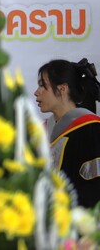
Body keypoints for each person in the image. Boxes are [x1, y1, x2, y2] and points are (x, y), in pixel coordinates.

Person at [34, 58, 100, 208]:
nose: (36, 92)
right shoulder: (42, 131)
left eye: (42, 86)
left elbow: (95, 188)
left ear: (62, 88)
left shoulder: (91, 129)